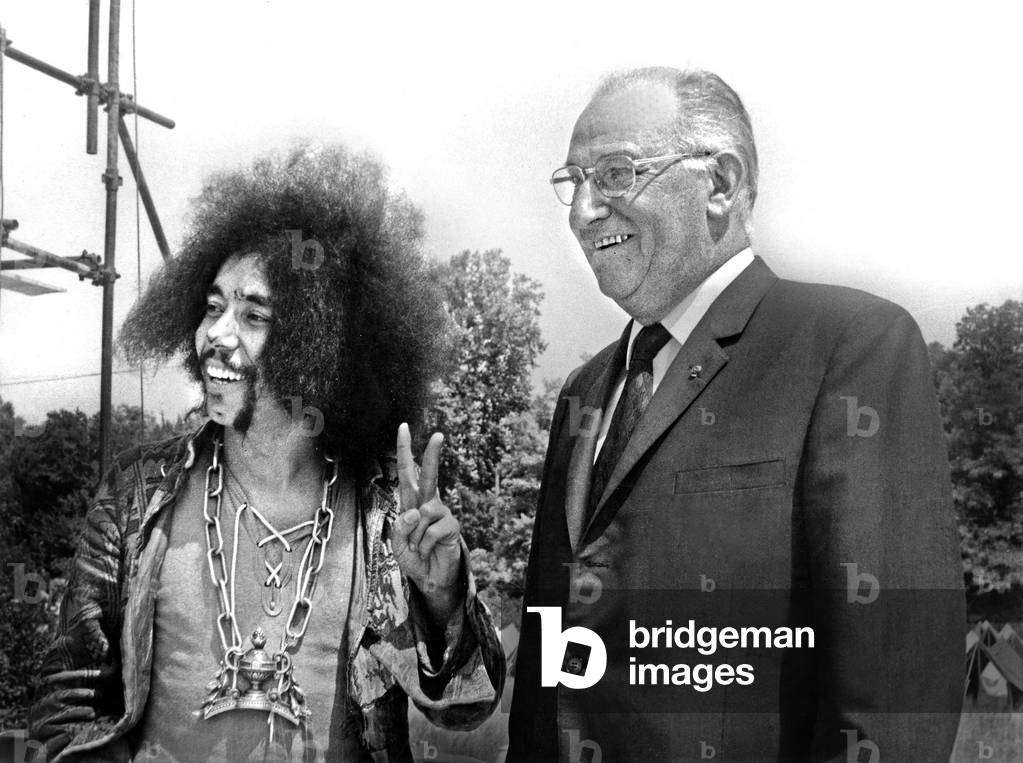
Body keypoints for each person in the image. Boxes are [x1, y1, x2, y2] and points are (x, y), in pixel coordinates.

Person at [508, 67, 964, 762]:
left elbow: (892, 688)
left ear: (719, 182)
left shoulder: (849, 347)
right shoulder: (584, 390)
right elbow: (553, 663)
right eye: (572, 182)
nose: (582, 210)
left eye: (615, 172)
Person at [28, 144, 504, 762]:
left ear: (318, 343)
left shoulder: (389, 514)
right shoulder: (138, 494)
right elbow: (64, 709)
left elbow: (468, 708)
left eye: (253, 315)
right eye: (213, 307)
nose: (217, 337)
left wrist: (440, 601)